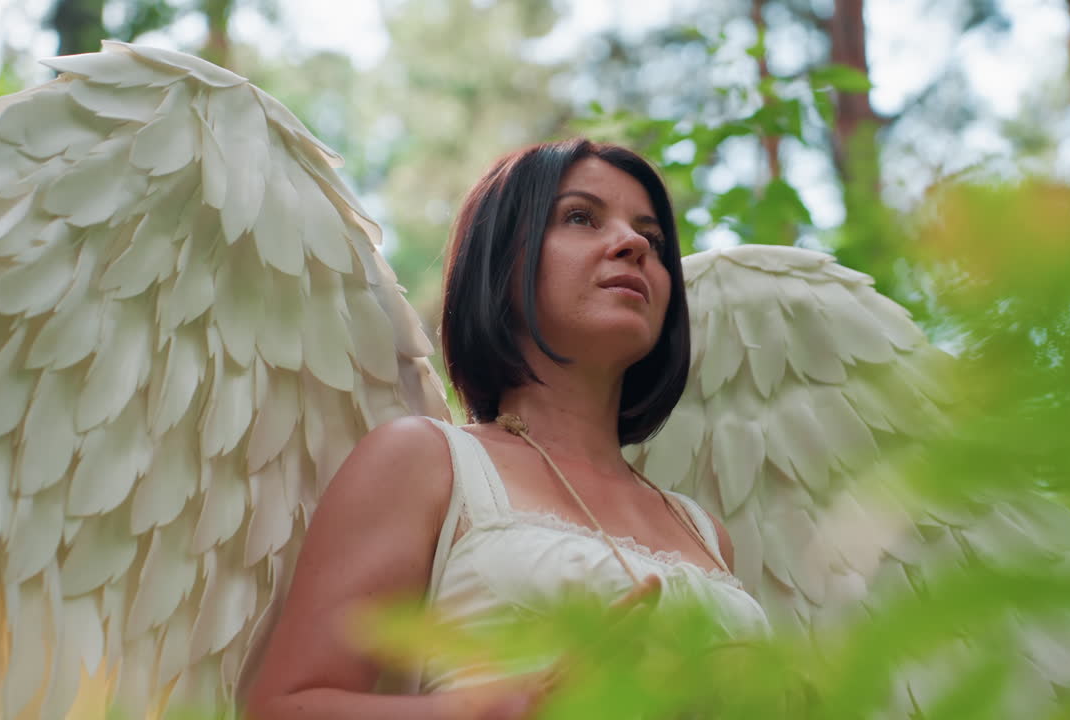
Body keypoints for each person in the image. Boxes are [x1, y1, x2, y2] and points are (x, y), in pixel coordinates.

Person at [241, 138, 769, 720]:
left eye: (655, 238)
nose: (636, 244)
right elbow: (282, 708)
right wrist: (498, 710)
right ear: (502, 258)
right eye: (580, 217)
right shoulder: (427, 461)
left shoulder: (703, 532)